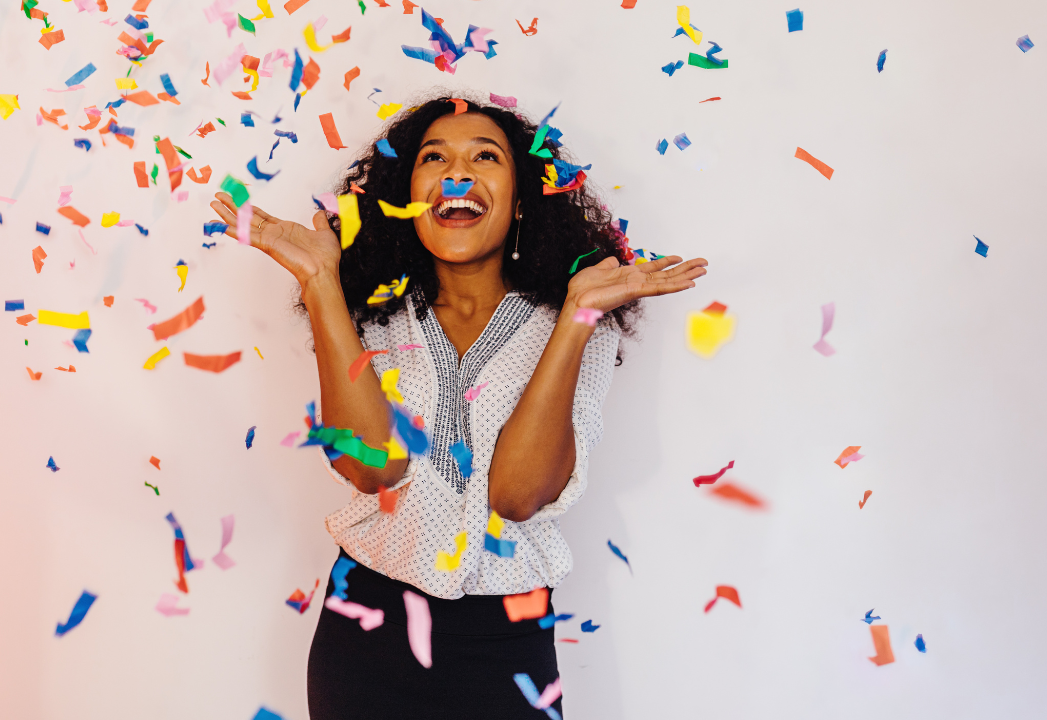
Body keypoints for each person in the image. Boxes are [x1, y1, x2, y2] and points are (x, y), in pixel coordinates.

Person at [210, 94, 708, 719]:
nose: (457, 173)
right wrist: (320, 285)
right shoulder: (370, 313)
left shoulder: (580, 319)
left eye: (485, 156)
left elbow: (517, 495)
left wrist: (578, 319)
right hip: (365, 637)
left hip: (505, 645)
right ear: (408, 194)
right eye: (434, 158)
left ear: (523, 197)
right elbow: (371, 467)